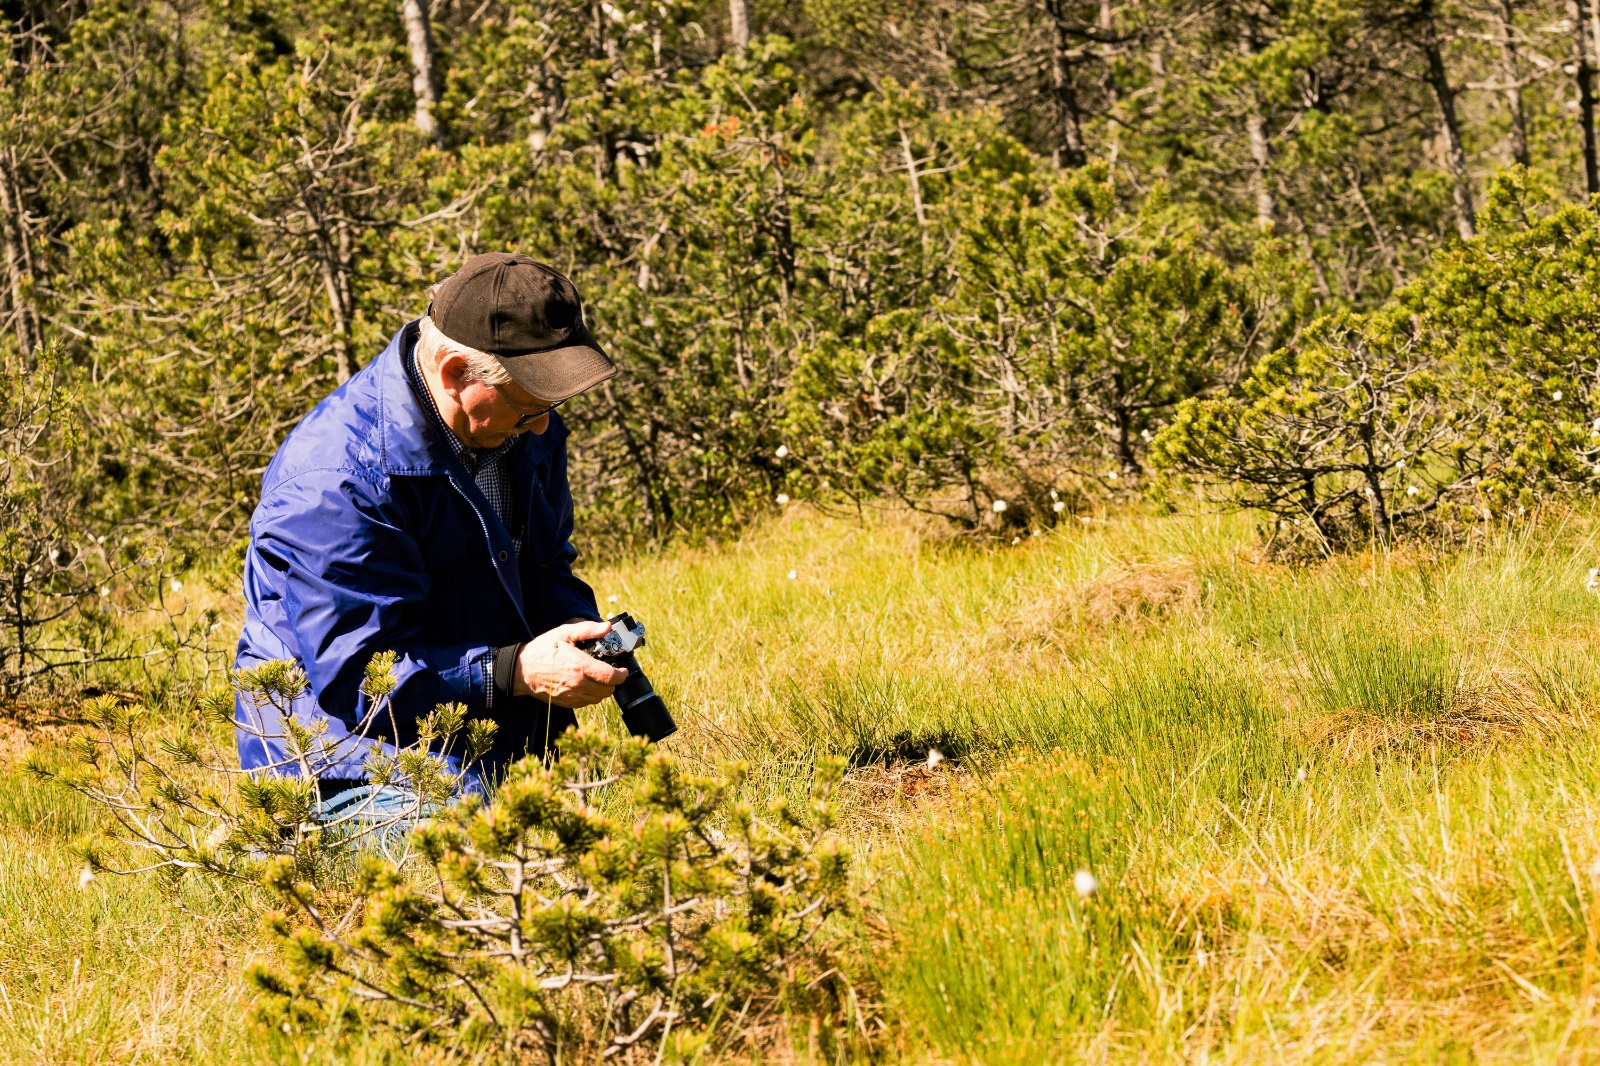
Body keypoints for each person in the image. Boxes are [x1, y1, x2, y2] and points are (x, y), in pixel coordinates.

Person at [234, 253, 629, 803]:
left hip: (481, 730)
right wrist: (517, 671)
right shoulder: (334, 481)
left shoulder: (521, 430)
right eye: (528, 404)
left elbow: (545, 564)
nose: (543, 422)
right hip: (345, 762)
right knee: (487, 851)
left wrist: (580, 632)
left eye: (552, 401)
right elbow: (361, 682)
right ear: (454, 374)